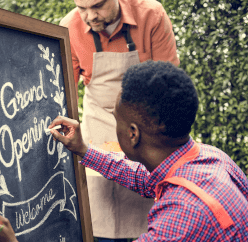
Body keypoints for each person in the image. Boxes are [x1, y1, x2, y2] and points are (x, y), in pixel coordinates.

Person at [0, 61, 248, 241]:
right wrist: (83, 149)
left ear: (132, 134)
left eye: (116, 120)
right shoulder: (209, 158)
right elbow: (143, 177)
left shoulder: (182, 216)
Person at [59, 0, 179, 240]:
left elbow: (169, 84)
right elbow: (63, 93)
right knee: (101, 213)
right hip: (99, 124)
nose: (90, 16)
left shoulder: (150, 15)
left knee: (153, 201)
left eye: (98, 6)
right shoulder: (69, 27)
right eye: (82, 8)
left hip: (145, 123)